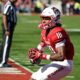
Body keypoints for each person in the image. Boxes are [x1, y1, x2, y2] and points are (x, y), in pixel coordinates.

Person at [28, 6, 74, 80]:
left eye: (47, 18)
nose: (43, 21)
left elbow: (61, 56)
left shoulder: (58, 32)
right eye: (43, 18)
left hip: (65, 63)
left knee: (41, 79)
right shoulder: (44, 32)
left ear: (55, 19)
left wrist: (42, 56)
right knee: (33, 77)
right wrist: (35, 58)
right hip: (55, 62)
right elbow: (41, 47)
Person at [0, 0, 17, 67]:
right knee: (6, 44)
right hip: (8, 26)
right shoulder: (9, 5)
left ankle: (2, 60)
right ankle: (3, 62)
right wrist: (6, 28)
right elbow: (4, 16)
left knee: (6, 44)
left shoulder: (11, 4)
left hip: (10, 26)